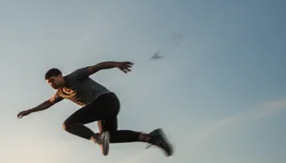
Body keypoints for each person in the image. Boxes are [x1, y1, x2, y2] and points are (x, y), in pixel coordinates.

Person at [17, 62, 173, 157]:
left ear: (60, 76)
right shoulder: (60, 93)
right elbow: (47, 103)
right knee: (110, 136)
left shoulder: (75, 76)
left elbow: (97, 67)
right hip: (103, 110)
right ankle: (151, 137)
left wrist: (116, 64)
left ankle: (96, 138)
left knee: (68, 124)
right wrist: (30, 111)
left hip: (107, 101)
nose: (51, 84)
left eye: (52, 80)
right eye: (49, 83)